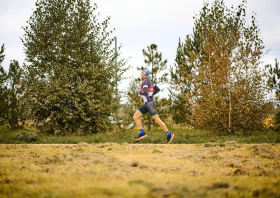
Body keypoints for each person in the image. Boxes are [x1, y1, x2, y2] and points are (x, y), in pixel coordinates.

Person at [133, 68, 174, 144]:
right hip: (147, 104)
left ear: (144, 74)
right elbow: (157, 89)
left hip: (149, 104)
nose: (140, 74)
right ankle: (142, 133)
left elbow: (145, 92)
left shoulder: (145, 82)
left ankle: (169, 134)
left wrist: (139, 91)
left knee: (157, 120)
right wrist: (151, 94)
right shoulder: (150, 82)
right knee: (135, 116)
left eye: (141, 73)